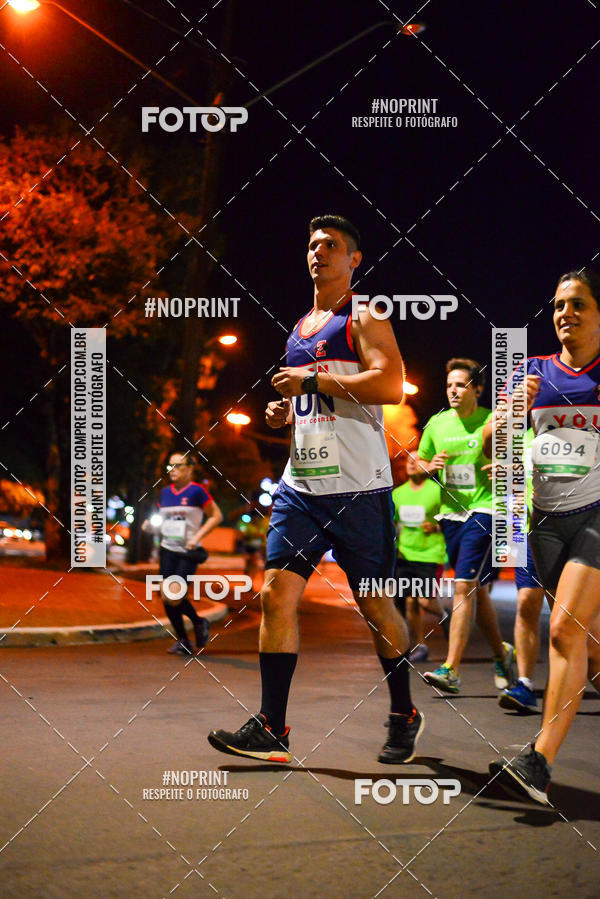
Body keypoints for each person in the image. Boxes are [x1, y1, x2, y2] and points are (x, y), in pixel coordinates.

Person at [208, 214, 424, 765]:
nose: (318, 252)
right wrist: (288, 411)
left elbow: (390, 383)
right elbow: (313, 398)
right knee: (276, 593)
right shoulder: (299, 328)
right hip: (300, 489)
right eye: (312, 245)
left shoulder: (366, 313)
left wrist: (314, 382)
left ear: (354, 259)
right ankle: (273, 728)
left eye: (331, 245)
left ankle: (404, 712)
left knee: (375, 605)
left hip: (359, 490)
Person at [487, 270, 600, 803]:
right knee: (580, 636)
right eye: (558, 306)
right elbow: (489, 440)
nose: (564, 314)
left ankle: (540, 759)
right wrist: (512, 409)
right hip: (545, 520)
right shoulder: (531, 371)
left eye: (577, 304)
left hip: (596, 513)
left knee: (564, 631)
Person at [418, 359, 515, 694]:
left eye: (460, 385)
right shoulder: (437, 423)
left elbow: (521, 455)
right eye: (448, 386)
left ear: (477, 388)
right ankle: (502, 653)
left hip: (485, 509)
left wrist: (505, 467)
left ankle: (451, 668)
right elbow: (418, 463)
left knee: (462, 586)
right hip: (450, 515)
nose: (453, 391)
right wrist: (429, 466)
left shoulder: (493, 420)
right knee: (477, 590)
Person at [146, 451, 223, 656]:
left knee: (174, 595)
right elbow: (166, 522)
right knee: (167, 596)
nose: (172, 470)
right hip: (168, 550)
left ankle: (199, 622)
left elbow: (216, 516)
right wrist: (151, 526)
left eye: (178, 466)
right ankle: (184, 639)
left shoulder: (197, 492)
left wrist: (196, 537)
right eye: (170, 466)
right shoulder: (165, 493)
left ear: (189, 469)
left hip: (188, 552)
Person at [498, 429, 546, 713]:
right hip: (529, 532)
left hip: (573, 532)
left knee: (575, 619)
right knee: (526, 601)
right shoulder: (519, 438)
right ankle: (525, 683)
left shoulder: (581, 424)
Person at [392, 452, 450, 662]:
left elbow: (451, 518)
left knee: (425, 601)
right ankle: (419, 645)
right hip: (405, 553)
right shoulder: (398, 494)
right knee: (409, 601)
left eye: (416, 461)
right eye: (408, 461)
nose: (411, 463)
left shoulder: (438, 492)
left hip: (430, 553)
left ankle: (444, 615)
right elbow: (394, 524)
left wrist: (436, 526)